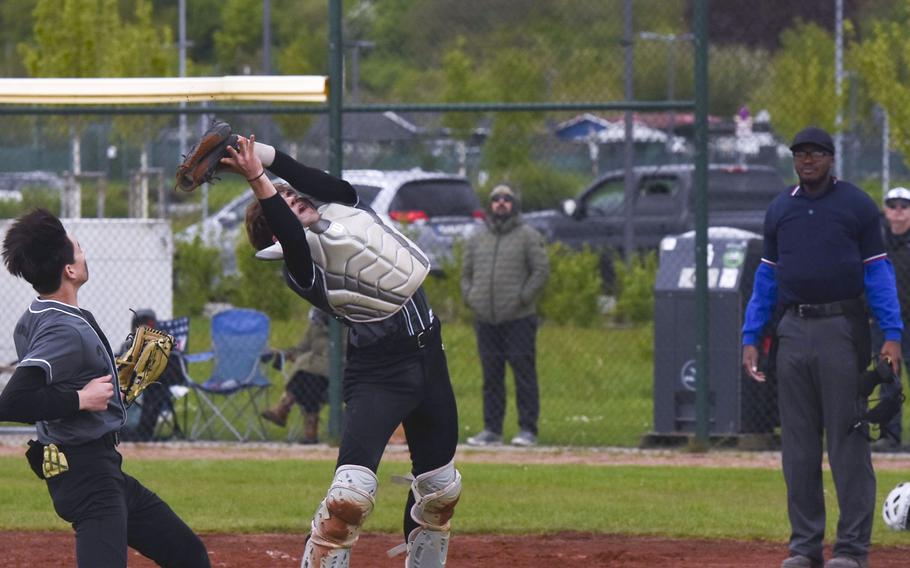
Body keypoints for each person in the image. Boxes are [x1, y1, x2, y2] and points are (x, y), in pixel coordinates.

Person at [218, 132, 461, 568]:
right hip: (379, 374)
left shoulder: (349, 212)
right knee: (349, 498)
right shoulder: (302, 269)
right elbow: (292, 237)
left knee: (441, 491)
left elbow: (301, 174)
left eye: (292, 196)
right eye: (284, 203)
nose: (294, 199)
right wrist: (257, 180)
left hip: (430, 360)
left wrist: (262, 156)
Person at [0, 209, 210, 568]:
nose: (83, 254)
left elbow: (62, 375)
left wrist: (114, 389)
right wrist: (82, 398)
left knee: (188, 554)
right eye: (79, 249)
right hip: (88, 476)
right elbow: (13, 403)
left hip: (99, 469)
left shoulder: (37, 314)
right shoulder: (64, 329)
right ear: (70, 270)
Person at [741, 127, 903, 568]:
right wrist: (751, 335)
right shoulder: (781, 210)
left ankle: (851, 550)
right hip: (793, 329)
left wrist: (891, 334)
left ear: (831, 158)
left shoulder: (855, 206)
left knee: (848, 442)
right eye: (799, 154)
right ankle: (804, 546)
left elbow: (878, 273)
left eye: (815, 153)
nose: (807, 160)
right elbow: (767, 279)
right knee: (798, 446)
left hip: (841, 329)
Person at [462, 183, 549, 447]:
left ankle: (527, 429)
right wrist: (471, 297)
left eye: (507, 199)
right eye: (496, 199)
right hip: (486, 318)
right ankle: (492, 429)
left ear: (514, 204)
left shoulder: (528, 236)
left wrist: (522, 299)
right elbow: (465, 274)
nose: (501, 203)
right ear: (490, 204)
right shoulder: (477, 237)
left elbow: (541, 271)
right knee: (491, 376)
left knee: (523, 373)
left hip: (519, 319)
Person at [870, 186, 910, 451]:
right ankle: (890, 436)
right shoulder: (876, 241)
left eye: (904, 206)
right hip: (885, 322)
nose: (898, 211)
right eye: (892, 205)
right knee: (888, 378)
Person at [260, 307, 338, 444]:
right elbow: (300, 349)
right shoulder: (315, 327)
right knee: (307, 379)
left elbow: (342, 358)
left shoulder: (344, 328)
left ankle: (284, 407)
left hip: (336, 376)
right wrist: (286, 352)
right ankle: (310, 430)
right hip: (312, 375)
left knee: (305, 376)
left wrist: (305, 360)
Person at [119, 309, 185, 442]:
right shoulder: (130, 345)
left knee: (154, 389)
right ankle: (116, 427)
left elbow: (176, 374)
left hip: (158, 385)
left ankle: (143, 431)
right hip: (131, 384)